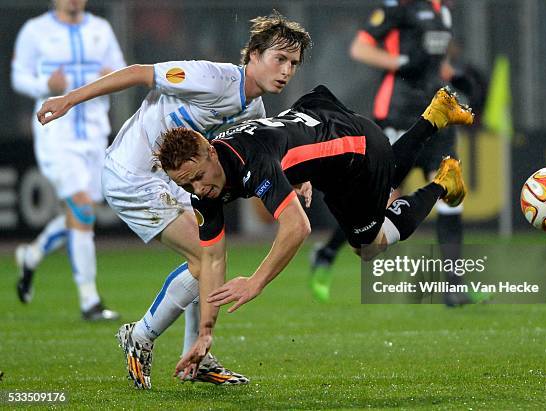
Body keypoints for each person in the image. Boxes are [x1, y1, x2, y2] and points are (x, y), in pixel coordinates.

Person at [36, 12, 312, 389]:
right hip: (132, 174)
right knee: (205, 257)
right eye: (279, 59)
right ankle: (141, 336)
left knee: (210, 255)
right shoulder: (211, 78)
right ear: (254, 56)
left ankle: (196, 358)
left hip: (172, 183)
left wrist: (296, 179)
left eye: (293, 64)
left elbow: (266, 152)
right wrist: (70, 100)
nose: (286, 70)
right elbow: (137, 72)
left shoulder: (253, 110)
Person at [153, 85, 474, 377]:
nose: (198, 188)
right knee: (383, 178)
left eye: (198, 176)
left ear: (210, 150)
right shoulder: (206, 183)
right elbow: (211, 259)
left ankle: (443, 183)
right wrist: (205, 332)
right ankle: (435, 116)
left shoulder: (252, 162)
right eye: (186, 184)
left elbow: (297, 227)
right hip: (321, 124)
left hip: (356, 152)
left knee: (369, 245)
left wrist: (255, 282)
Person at [310, 0, 469, 306]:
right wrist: (400, 61)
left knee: (452, 193)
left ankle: (454, 286)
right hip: (399, 115)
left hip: (440, 115)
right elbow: (360, 48)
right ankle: (327, 252)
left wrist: (454, 77)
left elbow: (437, 63)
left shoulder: (445, 12)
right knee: (374, 204)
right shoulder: (399, 8)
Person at [11, 0, 125, 320]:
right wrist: (44, 86)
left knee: (82, 213)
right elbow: (19, 77)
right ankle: (90, 300)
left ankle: (31, 255)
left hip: (94, 133)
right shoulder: (36, 31)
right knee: (81, 207)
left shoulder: (100, 29)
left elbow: (121, 69)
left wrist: (111, 74)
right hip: (56, 136)